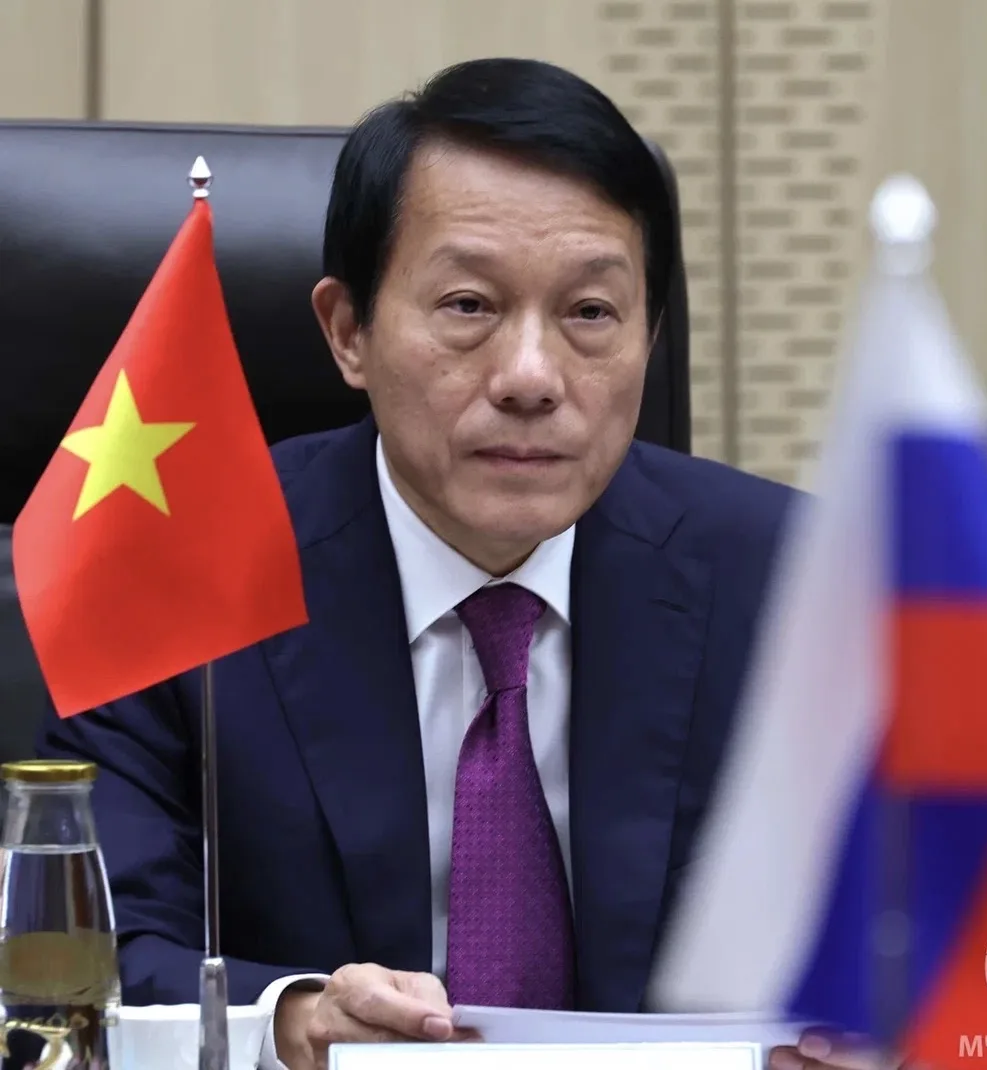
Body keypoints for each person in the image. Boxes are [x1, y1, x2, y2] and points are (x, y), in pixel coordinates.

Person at [36, 57, 863, 1070]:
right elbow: (84, 957)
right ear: (349, 331)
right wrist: (289, 1020)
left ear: (650, 335)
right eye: (469, 305)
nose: (531, 377)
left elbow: (929, 914)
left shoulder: (795, 582)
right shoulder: (176, 570)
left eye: (590, 313)